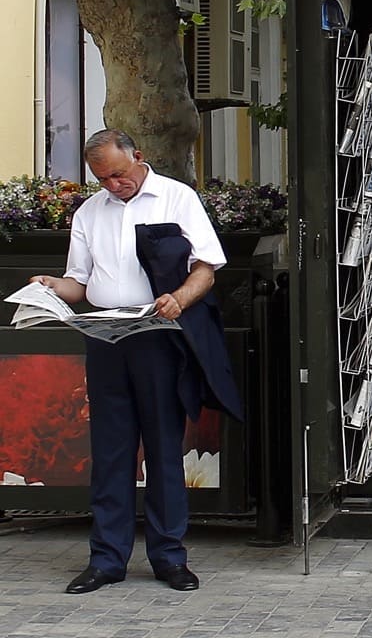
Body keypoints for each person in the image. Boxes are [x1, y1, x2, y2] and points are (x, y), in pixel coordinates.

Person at [31, 130, 243, 594]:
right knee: (110, 451)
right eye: (103, 179)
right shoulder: (89, 212)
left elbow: (206, 267)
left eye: (118, 174)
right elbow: (81, 285)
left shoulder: (176, 197)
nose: (113, 185)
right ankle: (107, 559)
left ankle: (169, 556)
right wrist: (51, 287)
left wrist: (179, 299)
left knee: (165, 448)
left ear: (138, 158)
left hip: (158, 336)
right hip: (106, 337)